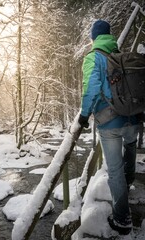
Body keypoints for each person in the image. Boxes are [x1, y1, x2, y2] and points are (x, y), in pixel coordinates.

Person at [78, 20, 140, 235]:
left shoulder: (93, 57)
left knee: (114, 171)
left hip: (110, 121)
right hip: (133, 116)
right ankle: (129, 179)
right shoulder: (122, 56)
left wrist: (84, 115)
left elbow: (91, 89)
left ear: (93, 37)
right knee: (131, 146)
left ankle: (122, 219)